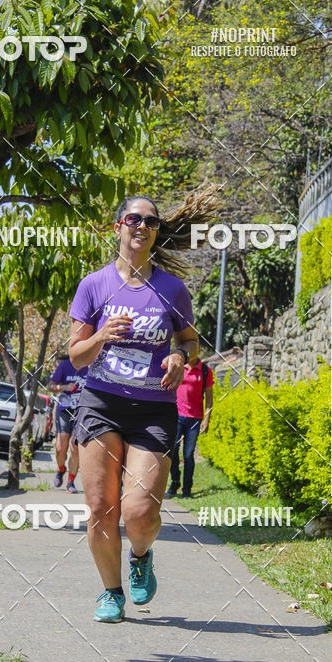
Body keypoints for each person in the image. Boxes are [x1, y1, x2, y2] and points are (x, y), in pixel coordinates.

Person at [68, 189, 217, 622]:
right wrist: (99, 337)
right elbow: (77, 356)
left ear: (156, 234)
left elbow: (190, 341)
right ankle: (111, 592)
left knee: (139, 511)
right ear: (119, 226)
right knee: (100, 506)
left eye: (151, 222)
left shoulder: (172, 289)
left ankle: (140, 555)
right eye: (134, 219)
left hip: (154, 407)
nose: (142, 227)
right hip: (101, 402)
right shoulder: (94, 285)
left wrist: (178, 356)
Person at [165, 352, 214, 498]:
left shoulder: (205, 371)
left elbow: (210, 397)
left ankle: (187, 490)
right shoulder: (177, 367)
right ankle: (174, 483)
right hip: (177, 416)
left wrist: (207, 419)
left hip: (195, 419)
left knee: (188, 454)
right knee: (172, 450)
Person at [47, 354, 88, 493]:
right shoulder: (64, 365)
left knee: (75, 448)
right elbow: (51, 386)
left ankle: (70, 482)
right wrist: (65, 387)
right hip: (64, 409)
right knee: (60, 448)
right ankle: (61, 469)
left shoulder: (91, 365)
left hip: (82, 411)